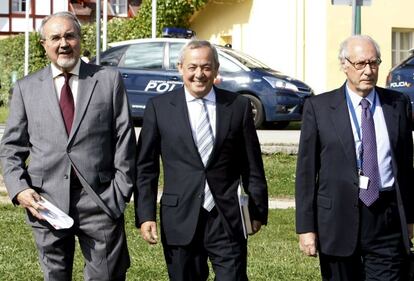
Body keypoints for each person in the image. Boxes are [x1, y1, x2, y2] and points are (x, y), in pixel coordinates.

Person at [0, 11, 136, 281]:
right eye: (55, 38)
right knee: (56, 276)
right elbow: (11, 148)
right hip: (46, 202)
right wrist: (20, 189)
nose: (63, 43)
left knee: (107, 276)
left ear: (80, 39)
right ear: (44, 44)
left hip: (100, 199)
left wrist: (119, 192)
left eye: (69, 36)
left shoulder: (107, 80)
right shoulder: (26, 88)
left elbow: (124, 139)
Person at [135, 40, 268, 281]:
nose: (199, 74)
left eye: (206, 67)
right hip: (180, 217)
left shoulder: (237, 106)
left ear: (216, 69)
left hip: (226, 216)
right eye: (192, 67)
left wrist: (256, 210)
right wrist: (145, 215)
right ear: (180, 68)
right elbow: (146, 168)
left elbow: (252, 164)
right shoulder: (159, 108)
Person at [295, 34, 414, 281]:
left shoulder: (398, 104)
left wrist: (410, 218)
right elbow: (306, 172)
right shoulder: (319, 108)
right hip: (337, 218)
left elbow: (406, 165)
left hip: (386, 217)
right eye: (360, 64)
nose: (368, 71)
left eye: (374, 63)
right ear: (344, 65)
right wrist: (306, 228)